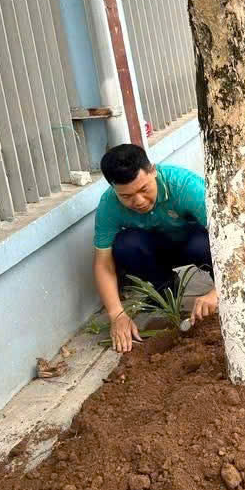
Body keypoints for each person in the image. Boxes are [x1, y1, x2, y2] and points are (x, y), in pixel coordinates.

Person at [93, 144, 217, 353]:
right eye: (126, 196)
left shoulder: (186, 187)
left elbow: (235, 243)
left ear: (153, 171)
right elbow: (103, 264)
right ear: (114, 190)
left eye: (143, 189)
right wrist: (117, 315)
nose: (138, 201)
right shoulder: (108, 204)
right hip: (158, 250)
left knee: (202, 242)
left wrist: (219, 292)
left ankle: (223, 290)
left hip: (193, 243)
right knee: (126, 245)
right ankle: (165, 292)